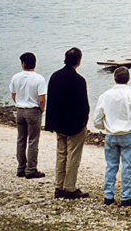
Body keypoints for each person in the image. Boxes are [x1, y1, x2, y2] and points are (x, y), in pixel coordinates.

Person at [93, 66, 131, 207]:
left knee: (111, 166)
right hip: (128, 134)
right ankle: (126, 196)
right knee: (128, 166)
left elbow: (97, 120)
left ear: (114, 79)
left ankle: (109, 195)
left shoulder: (105, 95)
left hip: (111, 134)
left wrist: (105, 127)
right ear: (128, 79)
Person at [45, 47, 90, 200]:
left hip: (59, 122)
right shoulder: (79, 80)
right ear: (78, 61)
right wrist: (84, 121)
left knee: (61, 153)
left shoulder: (55, 76)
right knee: (73, 155)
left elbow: (51, 100)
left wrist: (50, 123)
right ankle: (70, 188)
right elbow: (83, 105)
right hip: (75, 124)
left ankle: (59, 186)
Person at [9, 52, 47, 179]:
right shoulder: (39, 79)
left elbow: (13, 94)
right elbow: (42, 99)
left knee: (21, 139)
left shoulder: (16, 77)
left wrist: (19, 103)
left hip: (20, 109)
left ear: (23, 63)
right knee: (33, 140)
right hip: (33, 110)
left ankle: (21, 167)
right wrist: (41, 110)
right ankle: (31, 169)